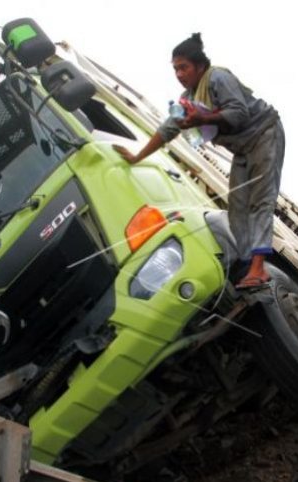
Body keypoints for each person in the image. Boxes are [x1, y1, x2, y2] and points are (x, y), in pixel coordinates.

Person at [113, 33, 285, 290]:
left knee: (261, 200)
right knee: (238, 205)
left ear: (199, 66)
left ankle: (259, 269)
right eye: (175, 69)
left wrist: (204, 119)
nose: (179, 74)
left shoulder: (217, 77)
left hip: (264, 134)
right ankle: (250, 263)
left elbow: (239, 113)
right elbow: (167, 130)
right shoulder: (188, 99)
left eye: (184, 67)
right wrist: (138, 157)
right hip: (242, 149)